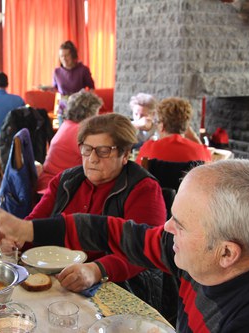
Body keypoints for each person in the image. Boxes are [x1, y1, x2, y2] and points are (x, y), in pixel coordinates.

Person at [0, 159, 249, 332]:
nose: (166, 228)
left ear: (227, 253)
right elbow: (108, 231)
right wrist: (24, 228)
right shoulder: (200, 253)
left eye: (180, 224)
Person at [25, 113, 167, 311]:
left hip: (116, 286)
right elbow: (33, 223)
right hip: (59, 280)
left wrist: (97, 270)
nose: (92, 159)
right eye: (87, 149)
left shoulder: (144, 188)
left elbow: (146, 250)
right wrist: (14, 234)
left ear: (125, 155)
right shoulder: (65, 181)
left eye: (103, 151)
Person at [36, 89, 102, 192]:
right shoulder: (79, 131)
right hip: (57, 188)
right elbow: (98, 159)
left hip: (52, 182)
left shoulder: (67, 125)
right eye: (97, 113)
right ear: (89, 114)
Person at [136, 97, 212, 164]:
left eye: (157, 122)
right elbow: (207, 164)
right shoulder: (201, 151)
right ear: (186, 127)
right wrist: (194, 137)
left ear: (162, 126)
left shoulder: (148, 148)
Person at [53, 41, 95, 125]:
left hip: (79, 110)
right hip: (63, 110)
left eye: (66, 55)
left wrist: (86, 102)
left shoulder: (83, 70)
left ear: (73, 55)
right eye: (61, 56)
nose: (64, 58)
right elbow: (56, 89)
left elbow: (91, 88)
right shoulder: (56, 72)